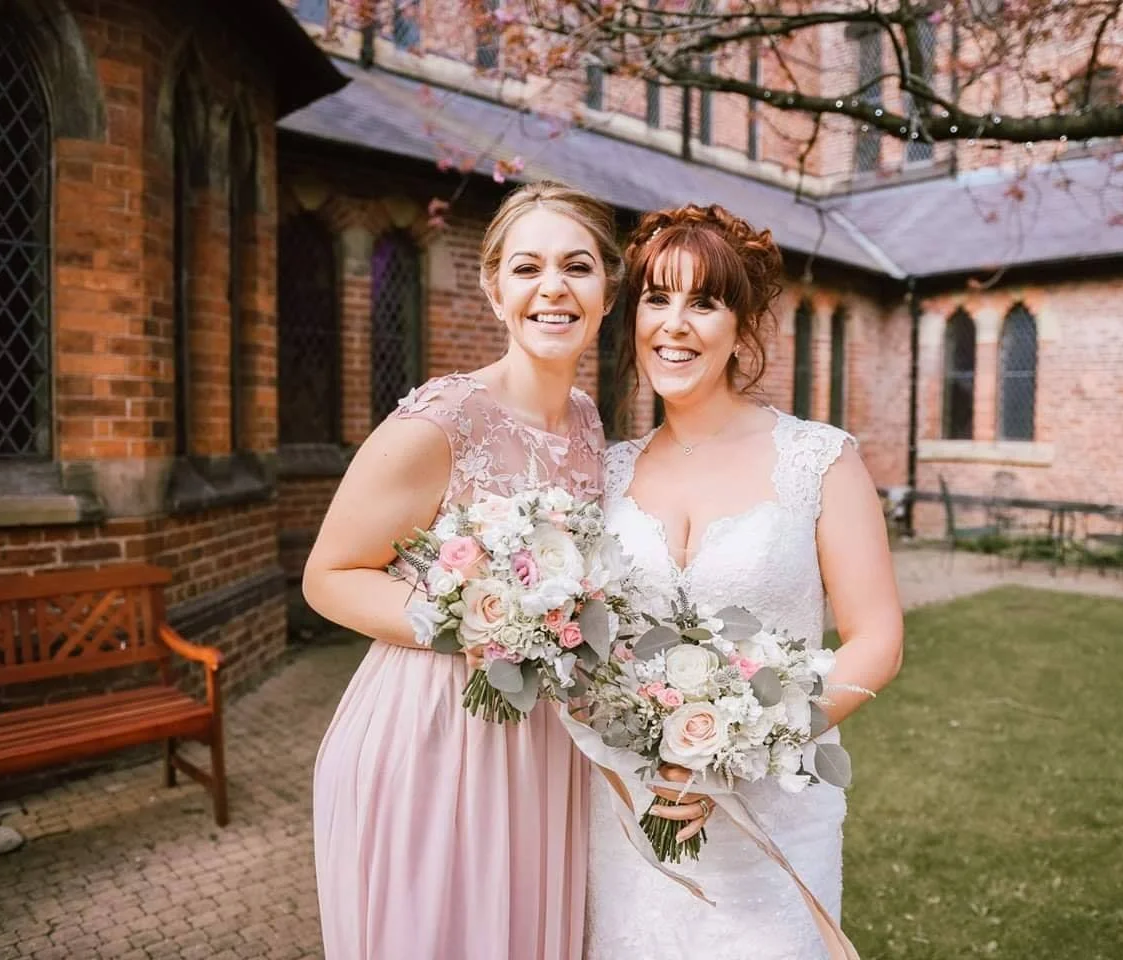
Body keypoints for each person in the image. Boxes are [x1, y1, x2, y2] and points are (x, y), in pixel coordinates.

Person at [305, 181, 623, 960]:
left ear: (608, 290)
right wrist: (482, 617)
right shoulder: (440, 420)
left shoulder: (585, 418)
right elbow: (330, 575)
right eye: (527, 268)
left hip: (541, 740)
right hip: (435, 731)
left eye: (577, 266)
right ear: (493, 289)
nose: (553, 288)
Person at [584, 204, 905, 958]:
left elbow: (877, 639)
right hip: (631, 809)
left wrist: (735, 751)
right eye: (657, 298)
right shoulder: (604, 471)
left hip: (771, 814)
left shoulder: (818, 460)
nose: (675, 324)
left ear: (743, 323)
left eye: (704, 302)